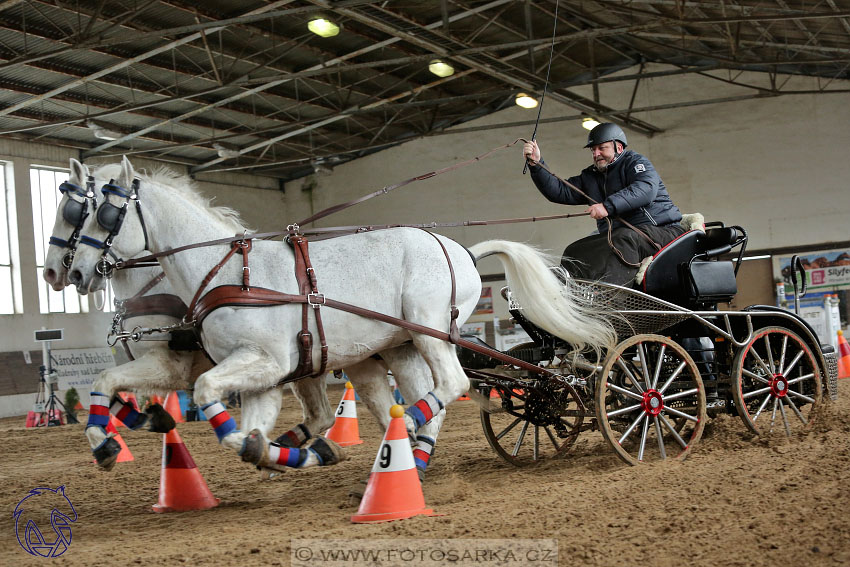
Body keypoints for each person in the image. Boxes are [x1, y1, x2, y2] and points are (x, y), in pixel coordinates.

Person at [523, 123, 684, 286]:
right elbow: (559, 191)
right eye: (593, 150)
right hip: (623, 237)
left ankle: (610, 300)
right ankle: (572, 300)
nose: (596, 154)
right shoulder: (590, 176)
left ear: (619, 148)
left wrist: (607, 206)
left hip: (664, 232)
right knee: (575, 250)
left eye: (602, 148)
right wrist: (537, 165)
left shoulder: (635, 162)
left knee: (622, 239)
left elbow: (645, 189)